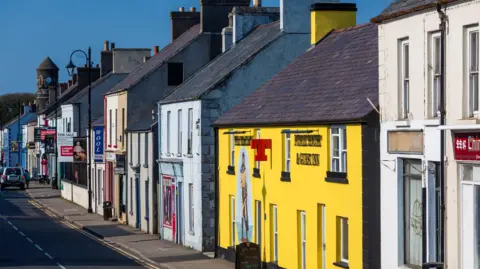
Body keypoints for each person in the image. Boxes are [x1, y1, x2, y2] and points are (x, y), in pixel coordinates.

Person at [240, 152, 249, 242]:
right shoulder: (242, 172)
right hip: (243, 193)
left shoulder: (244, 172)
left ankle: (246, 235)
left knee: (245, 214)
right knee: (243, 214)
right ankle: (244, 235)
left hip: (244, 193)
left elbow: (244, 184)